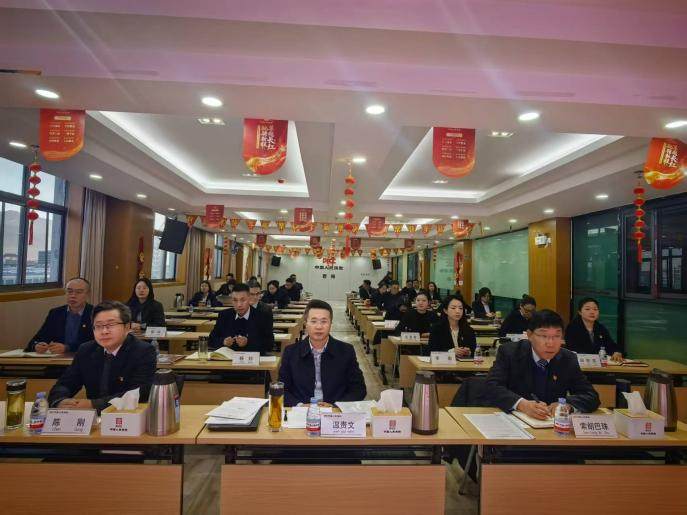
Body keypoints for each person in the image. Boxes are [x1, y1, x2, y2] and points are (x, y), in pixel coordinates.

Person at [485, 309, 601, 419]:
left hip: (551, 424)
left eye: (556, 336)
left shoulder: (568, 359)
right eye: (543, 336)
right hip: (515, 422)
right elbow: (491, 387)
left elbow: (591, 396)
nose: (550, 343)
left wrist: (567, 405)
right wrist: (522, 404)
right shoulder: (510, 353)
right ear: (529, 335)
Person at [47, 301, 157, 413]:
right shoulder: (86, 350)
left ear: (127, 327)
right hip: (93, 418)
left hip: (127, 416)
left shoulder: (143, 351)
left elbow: (139, 393)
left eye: (111, 325)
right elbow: (65, 383)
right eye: (98, 326)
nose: (104, 331)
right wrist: (60, 401)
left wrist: (94, 405)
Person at [279, 299, 366, 406]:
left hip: (334, 412)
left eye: (324, 321)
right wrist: (300, 405)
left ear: (330, 324)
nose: (319, 327)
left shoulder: (346, 351)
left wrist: (336, 406)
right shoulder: (291, 352)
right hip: (301, 411)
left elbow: (359, 389)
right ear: (306, 324)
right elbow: (281, 389)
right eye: (313, 321)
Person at [26, 277, 94, 353]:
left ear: (88, 294)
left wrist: (68, 348)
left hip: (86, 358)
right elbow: (37, 339)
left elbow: (96, 344)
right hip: (59, 359)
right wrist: (36, 346)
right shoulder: (56, 313)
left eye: (78, 292)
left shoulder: (96, 314)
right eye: (69, 291)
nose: (73, 296)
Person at [208, 283, 272, 354]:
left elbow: (269, 344)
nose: (239, 305)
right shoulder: (224, 315)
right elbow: (211, 339)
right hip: (228, 358)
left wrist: (248, 342)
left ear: (249, 299)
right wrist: (223, 341)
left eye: (243, 300)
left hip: (253, 358)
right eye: (235, 300)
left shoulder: (262, 316)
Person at [248, 281, 275, 351]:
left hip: (259, 347)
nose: (255, 297)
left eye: (257, 294)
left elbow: (268, 334)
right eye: (251, 294)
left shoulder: (266, 310)